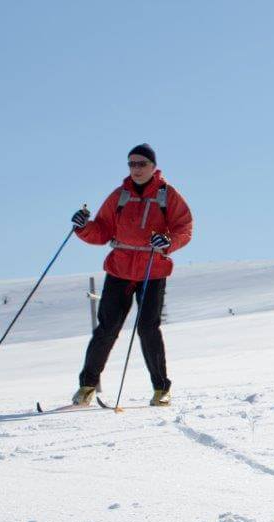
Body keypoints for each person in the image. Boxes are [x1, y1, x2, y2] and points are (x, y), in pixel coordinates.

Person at [69, 143, 193, 406]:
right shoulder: (119, 196)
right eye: (131, 164)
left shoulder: (167, 195)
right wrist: (83, 227)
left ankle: (161, 389)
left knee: (148, 328)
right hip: (120, 269)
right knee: (107, 329)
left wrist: (168, 242)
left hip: (152, 270)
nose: (136, 169)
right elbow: (102, 231)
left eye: (141, 164)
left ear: (153, 166)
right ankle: (86, 387)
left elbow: (184, 227)